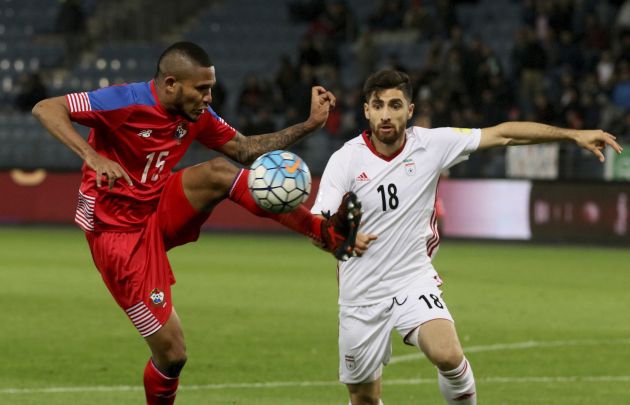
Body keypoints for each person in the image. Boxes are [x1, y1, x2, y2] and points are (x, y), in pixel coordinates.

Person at [31, 41, 363, 404]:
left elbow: (245, 150)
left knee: (221, 171)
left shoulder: (195, 115)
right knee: (173, 354)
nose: (208, 98)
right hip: (117, 235)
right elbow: (47, 108)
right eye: (201, 89)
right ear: (171, 84)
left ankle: (324, 232)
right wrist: (92, 157)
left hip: (154, 207)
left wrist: (310, 124)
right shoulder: (122, 101)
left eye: (211, 89)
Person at [311, 69, 623, 405]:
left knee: (448, 355)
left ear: (410, 110)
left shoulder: (432, 144)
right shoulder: (345, 159)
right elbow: (317, 222)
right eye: (379, 105)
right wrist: (340, 239)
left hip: (411, 280)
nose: (386, 114)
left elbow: (503, 134)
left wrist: (572, 135)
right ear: (366, 110)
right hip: (361, 292)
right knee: (364, 398)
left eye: (395, 105)